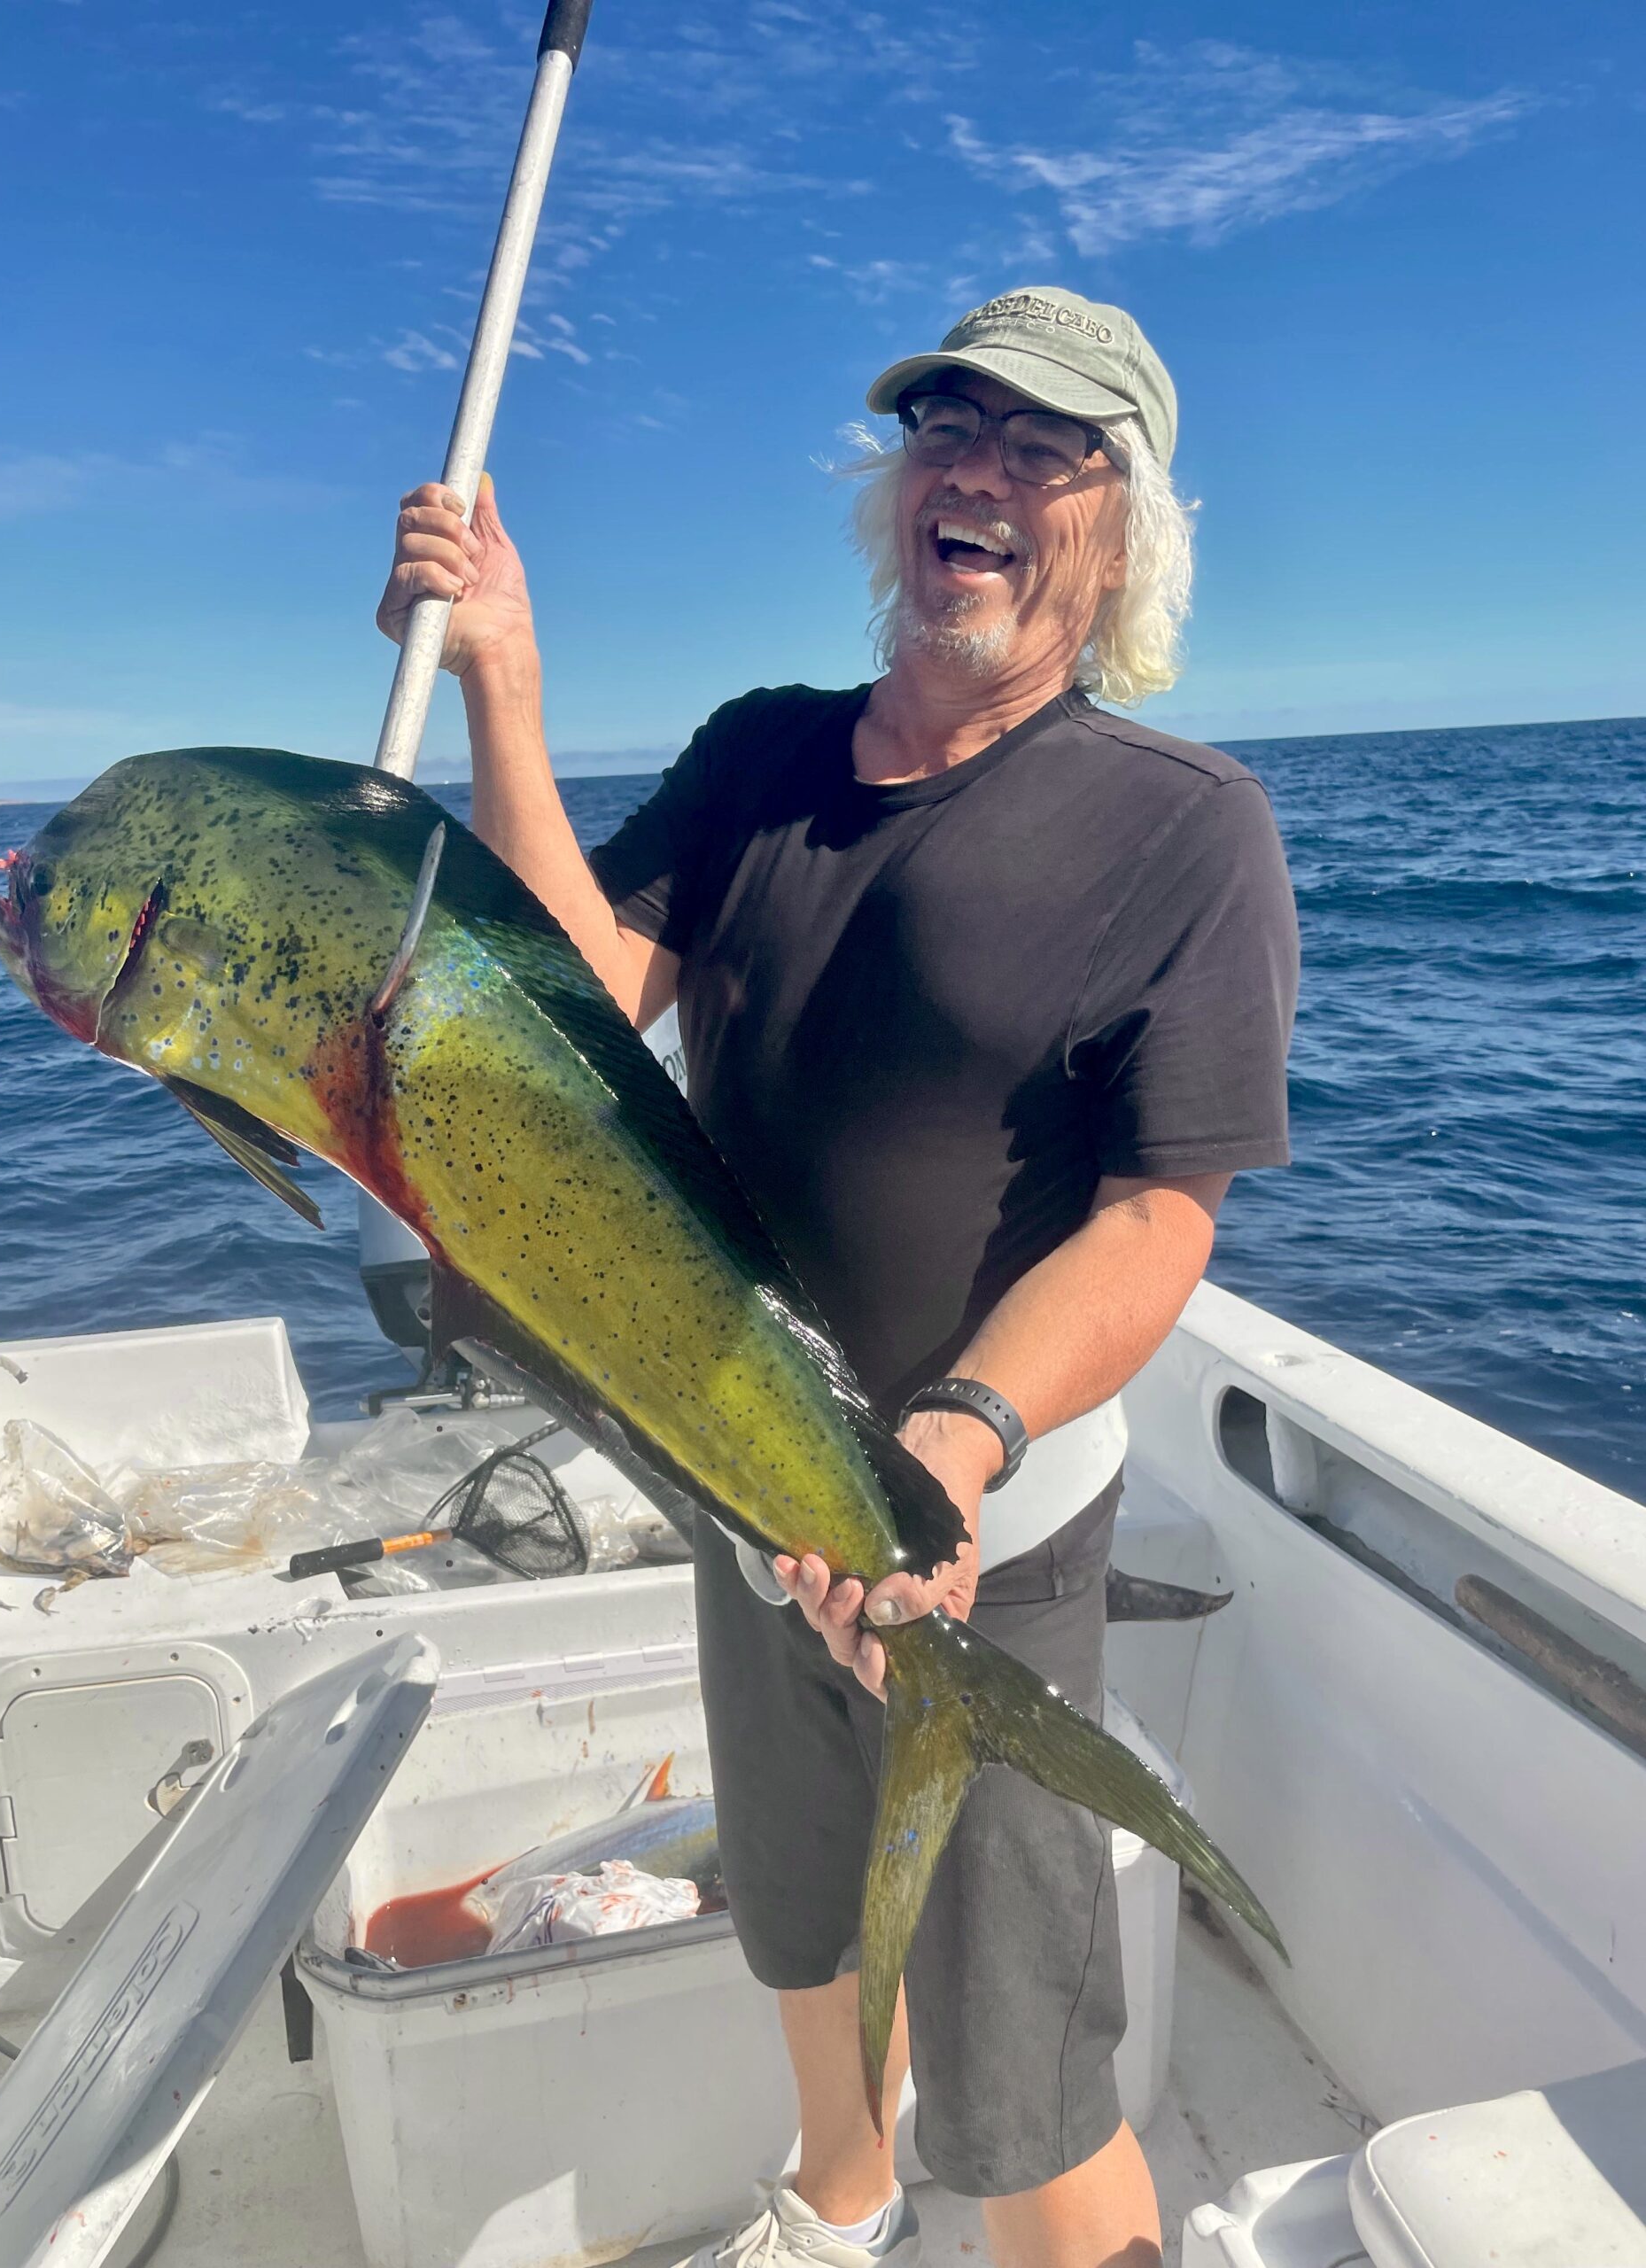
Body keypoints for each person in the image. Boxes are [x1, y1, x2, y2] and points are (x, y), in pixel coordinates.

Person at [378, 285, 1300, 2268]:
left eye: (1044, 446)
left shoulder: (1184, 828)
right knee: (800, 1917)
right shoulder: (760, 756)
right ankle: (841, 2198)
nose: (975, 469)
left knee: (1024, 2070)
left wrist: (955, 1439)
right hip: (744, 1492)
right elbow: (565, 1037)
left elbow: (1159, 1216)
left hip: (988, 1535)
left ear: (1123, 525)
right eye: (945, 429)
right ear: (897, 491)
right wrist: (505, 683)